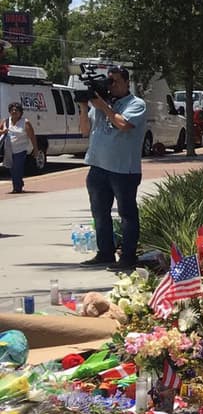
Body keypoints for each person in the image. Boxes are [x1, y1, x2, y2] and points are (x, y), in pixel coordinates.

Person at [77, 66, 147, 269]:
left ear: (126, 82)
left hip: (123, 170)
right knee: (99, 213)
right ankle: (105, 253)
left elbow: (124, 125)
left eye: (115, 81)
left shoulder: (136, 104)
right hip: (97, 167)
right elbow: (84, 131)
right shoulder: (101, 105)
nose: (112, 85)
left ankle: (128, 257)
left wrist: (103, 107)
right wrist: (84, 106)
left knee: (127, 214)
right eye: (109, 81)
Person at [2, 103, 37, 193]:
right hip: (9, 150)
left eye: (16, 110)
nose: (14, 112)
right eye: (12, 110)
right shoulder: (6, 121)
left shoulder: (25, 122)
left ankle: (17, 188)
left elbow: (32, 136)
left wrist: (35, 149)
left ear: (20, 112)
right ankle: (18, 184)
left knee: (18, 168)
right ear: (9, 111)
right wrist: (3, 131)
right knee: (12, 169)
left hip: (20, 150)